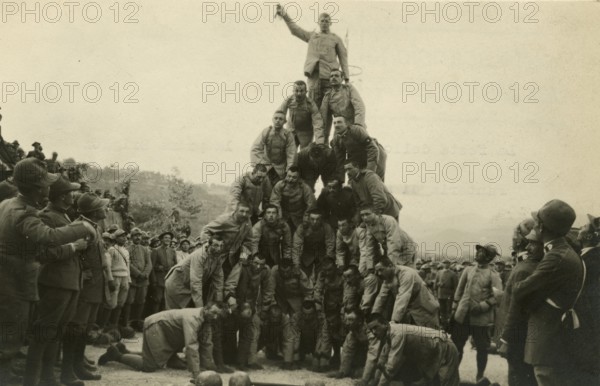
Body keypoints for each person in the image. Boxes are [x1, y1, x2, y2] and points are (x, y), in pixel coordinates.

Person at [0, 158, 95, 384]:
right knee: (9, 343)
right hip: (15, 283)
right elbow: (48, 237)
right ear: (36, 187)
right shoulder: (23, 211)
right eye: (45, 183)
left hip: (13, 281)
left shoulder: (7, 205)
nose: (48, 188)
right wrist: (82, 227)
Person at [24, 177, 90, 386]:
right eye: (71, 192)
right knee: (44, 332)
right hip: (54, 283)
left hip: (68, 283)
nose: (74, 195)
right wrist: (74, 247)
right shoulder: (46, 217)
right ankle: (32, 381)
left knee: (56, 332)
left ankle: (48, 378)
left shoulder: (62, 216)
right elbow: (43, 253)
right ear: (63, 197)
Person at [512, 200, 583, 386]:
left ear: (541, 227)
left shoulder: (555, 257)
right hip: (552, 337)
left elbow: (520, 291)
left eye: (537, 222)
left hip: (547, 340)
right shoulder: (562, 252)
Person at [97, 304, 222, 380]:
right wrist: (196, 373)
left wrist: (209, 367)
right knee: (149, 366)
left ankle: (125, 351)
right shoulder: (193, 318)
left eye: (218, 315)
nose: (215, 317)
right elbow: (191, 346)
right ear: (206, 309)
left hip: (167, 333)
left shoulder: (206, 319)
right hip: (155, 326)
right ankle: (116, 355)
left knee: (178, 364)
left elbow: (206, 344)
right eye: (214, 313)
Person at [276, 5, 349, 109]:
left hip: (329, 77)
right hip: (313, 77)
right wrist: (284, 14)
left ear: (330, 23)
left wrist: (346, 78)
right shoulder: (312, 36)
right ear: (318, 22)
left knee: (328, 107)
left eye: (327, 21)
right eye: (322, 20)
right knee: (313, 107)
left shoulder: (336, 39)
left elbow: (343, 58)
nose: (324, 23)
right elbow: (295, 30)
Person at [360, 313, 460, 386]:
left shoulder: (397, 333)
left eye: (376, 327)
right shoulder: (388, 334)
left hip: (445, 348)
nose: (374, 332)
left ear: (385, 324)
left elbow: (391, 366)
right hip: (433, 352)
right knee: (430, 383)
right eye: (371, 329)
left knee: (448, 383)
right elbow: (382, 361)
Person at [451, 243, 503, 383]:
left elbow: (498, 296)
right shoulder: (468, 270)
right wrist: (455, 307)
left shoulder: (494, 275)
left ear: (488, 257)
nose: (477, 253)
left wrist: (483, 306)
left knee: (482, 348)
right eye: (478, 251)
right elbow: (459, 290)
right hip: (463, 315)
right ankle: (453, 375)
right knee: (457, 346)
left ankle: (480, 376)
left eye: (481, 252)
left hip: (481, 318)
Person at [499, 229, 543, 386]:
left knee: (518, 377)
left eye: (514, 237)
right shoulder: (528, 265)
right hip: (526, 335)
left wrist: (506, 339)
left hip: (518, 336)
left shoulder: (524, 268)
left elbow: (517, 308)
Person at [570, 214, 600, 385]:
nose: (579, 229)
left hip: (587, 324)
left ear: (590, 236)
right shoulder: (588, 257)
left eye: (583, 227)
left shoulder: (592, 260)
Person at [372, 258, 440, 328]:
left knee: (430, 335)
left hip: (425, 309)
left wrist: (394, 321)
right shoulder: (388, 278)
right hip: (412, 311)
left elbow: (403, 297)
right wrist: (374, 314)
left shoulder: (406, 274)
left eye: (381, 270)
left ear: (390, 266)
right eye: (377, 271)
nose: (379, 273)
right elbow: (381, 296)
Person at [165, 234, 225, 310]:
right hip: (176, 285)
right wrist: (200, 311)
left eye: (221, 245)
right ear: (209, 245)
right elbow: (196, 283)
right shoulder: (199, 255)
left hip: (188, 286)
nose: (219, 249)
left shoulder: (217, 256)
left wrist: (219, 303)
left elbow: (219, 280)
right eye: (216, 245)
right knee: (174, 314)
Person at [236, 254, 275, 370]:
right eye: (256, 263)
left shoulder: (265, 270)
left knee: (252, 332)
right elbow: (231, 285)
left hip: (251, 306)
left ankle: (250, 361)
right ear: (250, 261)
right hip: (236, 303)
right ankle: (234, 360)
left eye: (261, 264)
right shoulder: (241, 268)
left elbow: (268, 289)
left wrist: (265, 308)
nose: (258, 266)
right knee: (232, 332)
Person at [97, 229, 131, 332]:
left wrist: (128, 279)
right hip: (115, 277)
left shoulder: (126, 250)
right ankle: (102, 327)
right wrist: (110, 280)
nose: (124, 238)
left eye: (125, 236)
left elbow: (127, 266)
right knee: (111, 303)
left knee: (120, 303)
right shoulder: (111, 249)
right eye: (121, 236)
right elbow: (108, 266)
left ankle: (113, 326)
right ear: (116, 238)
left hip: (124, 277)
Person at [250, 111, 296, 185]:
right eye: (276, 118)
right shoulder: (266, 131)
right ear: (272, 119)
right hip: (266, 166)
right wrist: (259, 164)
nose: (278, 120)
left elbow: (292, 153)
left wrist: (289, 169)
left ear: (285, 121)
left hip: (280, 168)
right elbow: (255, 148)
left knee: (278, 188)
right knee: (261, 186)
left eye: (281, 119)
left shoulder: (288, 135)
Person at [331, 116, 385, 180]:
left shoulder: (357, 130)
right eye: (334, 123)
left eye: (339, 122)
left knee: (374, 180)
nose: (336, 125)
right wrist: (339, 180)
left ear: (346, 124)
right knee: (356, 182)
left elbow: (373, 149)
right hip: (359, 157)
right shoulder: (336, 139)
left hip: (377, 154)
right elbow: (340, 161)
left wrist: (369, 173)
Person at [278, 80, 324, 149]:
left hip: (306, 133)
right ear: (293, 91)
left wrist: (320, 142)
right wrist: (277, 131)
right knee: (289, 152)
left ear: (306, 92)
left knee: (304, 154)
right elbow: (280, 113)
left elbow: (317, 122)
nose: (299, 93)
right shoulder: (289, 100)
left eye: (302, 91)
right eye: (296, 91)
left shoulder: (311, 104)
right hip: (291, 130)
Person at [270, 166, 316, 234]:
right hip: (283, 215)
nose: (290, 179)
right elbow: (274, 202)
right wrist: (279, 218)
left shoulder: (305, 188)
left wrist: (306, 218)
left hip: (299, 217)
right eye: (289, 176)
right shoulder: (280, 185)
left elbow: (311, 204)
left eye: (294, 177)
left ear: (299, 178)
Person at [292, 208, 335, 280]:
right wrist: (296, 264)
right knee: (303, 278)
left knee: (323, 277)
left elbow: (330, 244)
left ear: (321, 219)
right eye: (312, 219)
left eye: (318, 219)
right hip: (306, 255)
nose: (315, 222)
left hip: (322, 256)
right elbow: (296, 247)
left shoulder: (327, 227)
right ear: (308, 219)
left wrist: (328, 261)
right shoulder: (302, 228)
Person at [126, 227, 153, 331]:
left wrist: (145, 274)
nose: (137, 237)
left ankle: (137, 322)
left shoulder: (145, 249)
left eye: (139, 236)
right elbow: (128, 263)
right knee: (129, 301)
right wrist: (137, 274)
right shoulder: (128, 249)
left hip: (144, 280)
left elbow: (149, 263)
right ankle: (127, 323)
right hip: (133, 280)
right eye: (135, 236)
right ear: (131, 237)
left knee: (141, 301)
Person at [250, 204, 292, 268]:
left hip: (275, 252)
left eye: (274, 213)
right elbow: (254, 242)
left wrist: (287, 259)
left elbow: (287, 244)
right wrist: (255, 255)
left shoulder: (284, 226)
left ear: (278, 215)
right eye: (268, 212)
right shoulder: (259, 225)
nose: (271, 215)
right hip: (261, 251)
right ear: (265, 215)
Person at [148, 231, 178, 315]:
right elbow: (152, 267)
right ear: (161, 239)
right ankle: (154, 319)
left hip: (169, 279)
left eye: (169, 238)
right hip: (159, 280)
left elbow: (176, 266)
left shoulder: (172, 251)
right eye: (165, 238)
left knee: (166, 301)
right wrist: (154, 281)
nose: (167, 239)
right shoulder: (156, 251)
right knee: (157, 299)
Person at [435, 259, 459, 330]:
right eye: (444, 263)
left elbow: (456, 286)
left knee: (449, 310)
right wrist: (438, 284)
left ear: (450, 264)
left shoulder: (453, 274)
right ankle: (443, 325)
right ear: (442, 264)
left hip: (449, 295)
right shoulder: (439, 273)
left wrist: (455, 296)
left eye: (447, 263)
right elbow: (435, 285)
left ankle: (449, 326)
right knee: (441, 310)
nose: (446, 264)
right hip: (440, 295)